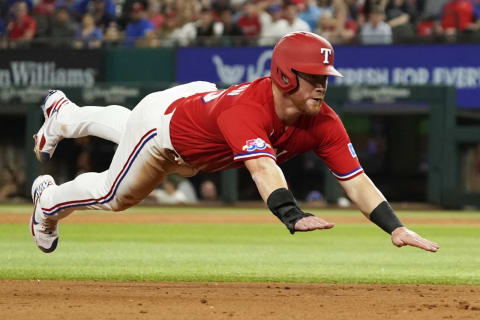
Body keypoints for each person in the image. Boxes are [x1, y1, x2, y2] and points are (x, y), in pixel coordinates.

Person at [30, 31, 439, 254]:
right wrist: (291, 214)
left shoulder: (323, 120)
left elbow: (355, 180)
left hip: (186, 108)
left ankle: (64, 115)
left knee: (129, 124)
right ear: (285, 76)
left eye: (325, 77)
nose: (322, 85)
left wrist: (395, 227)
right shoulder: (249, 110)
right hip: (165, 138)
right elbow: (263, 168)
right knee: (113, 194)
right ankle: (47, 202)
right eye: (313, 77)